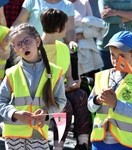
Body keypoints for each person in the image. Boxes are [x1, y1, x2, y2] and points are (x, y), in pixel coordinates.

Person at [0, 23, 67, 150]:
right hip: (13, 133)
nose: (23, 46)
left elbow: (61, 101)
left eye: (26, 41)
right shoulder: (11, 73)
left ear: (37, 41)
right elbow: (1, 101)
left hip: (38, 132)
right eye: (18, 44)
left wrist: (46, 112)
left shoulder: (55, 72)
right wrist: (15, 113)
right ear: (15, 49)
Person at [88, 31, 132, 150]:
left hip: (124, 143)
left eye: (122, 56)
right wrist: (97, 100)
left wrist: (116, 104)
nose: (116, 59)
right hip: (99, 142)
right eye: (112, 55)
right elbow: (90, 106)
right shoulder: (102, 76)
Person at [41, 8, 92, 150]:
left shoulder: (63, 47)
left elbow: (68, 77)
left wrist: (74, 83)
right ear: (58, 28)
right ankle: (58, 146)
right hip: (44, 93)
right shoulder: (37, 50)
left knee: (81, 96)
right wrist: (64, 88)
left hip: (62, 90)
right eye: (66, 25)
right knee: (65, 106)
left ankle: (82, 143)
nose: (68, 28)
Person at [98, 0, 132, 70]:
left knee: (128, 76)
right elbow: (108, 18)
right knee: (108, 77)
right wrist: (131, 15)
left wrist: (115, 12)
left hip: (129, 44)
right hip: (107, 43)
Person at [11, 0, 76, 46]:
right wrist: (8, 37)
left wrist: (71, 42)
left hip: (56, 48)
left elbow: (70, 30)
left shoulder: (68, 5)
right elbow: (19, 22)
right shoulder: (32, 1)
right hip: (33, 48)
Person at [69, 0, 105, 79]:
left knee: (94, 78)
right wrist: (71, 38)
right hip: (69, 47)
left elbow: (92, 25)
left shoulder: (84, 2)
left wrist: (83, 34)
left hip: (88, 48)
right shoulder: (61, 4)